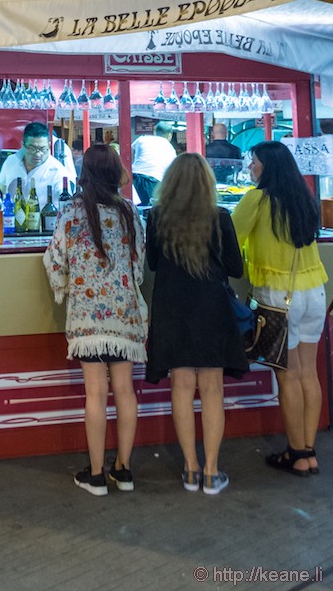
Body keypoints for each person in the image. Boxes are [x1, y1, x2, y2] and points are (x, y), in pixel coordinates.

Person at [43, 144, 146, 496]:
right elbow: (139, 266)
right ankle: (125, 470)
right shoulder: (130, 212)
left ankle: (97, 475)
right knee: (125, 392)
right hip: (125, 315)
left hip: (88, 320)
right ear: (117, 173)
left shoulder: (71, 212)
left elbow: (56, 263)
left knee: (95, 394)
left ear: (84, 174)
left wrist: (64, 288)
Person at [145, 152, 249, 495]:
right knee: (212, 390)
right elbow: (235, 268)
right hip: (211, 309)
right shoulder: (220, 217)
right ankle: (211, 471)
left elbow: (155, 264)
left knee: (181, 387)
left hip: (172, 308)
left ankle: (189, 469)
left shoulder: (157, 217)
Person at [231, 141, 327, 476]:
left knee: (287, 377)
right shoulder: (303, 197)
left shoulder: (256, 199)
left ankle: (297, 453)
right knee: (308, 374)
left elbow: (230, 239)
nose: (250, 168)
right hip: (314, 291)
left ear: (267, 166)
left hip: (277, 297)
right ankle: (310, 451)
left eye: (253, 162)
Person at [0, 122, 76, 206]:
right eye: (32, 149)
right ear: (23, 144)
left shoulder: (58, 172)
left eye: (42, 149)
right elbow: (1, 187)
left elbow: (67, 205)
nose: (38, 154)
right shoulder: (11, 161)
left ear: (49, 145)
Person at [131, 121, 176, 206]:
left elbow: (133, 155)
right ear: (170, 135)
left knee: (134, 207)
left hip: (134, 178)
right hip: (153, 181)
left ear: (154, 131)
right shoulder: (171, 149)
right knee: (150, 210)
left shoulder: (142, 139)